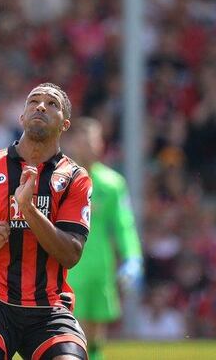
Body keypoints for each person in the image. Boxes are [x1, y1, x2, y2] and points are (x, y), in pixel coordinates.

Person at [0, 83, 92, 360]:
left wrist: (29, 210)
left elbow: (71, 254)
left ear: (65, 124)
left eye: (52, 104)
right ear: (22, 117)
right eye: (33, 101)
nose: (40, 106)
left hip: (49, 307)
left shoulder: (75, 178)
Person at [64, 117, 143, 360]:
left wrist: (132, 258)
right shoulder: (61, 180)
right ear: (73, 143)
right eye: (82, 140)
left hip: (101, 269)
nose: (87, 146)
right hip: (70, 268)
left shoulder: (112, 184)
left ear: (100, 145)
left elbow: (124, 225)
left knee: (96, 336)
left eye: (92, 140)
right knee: (71, 334)